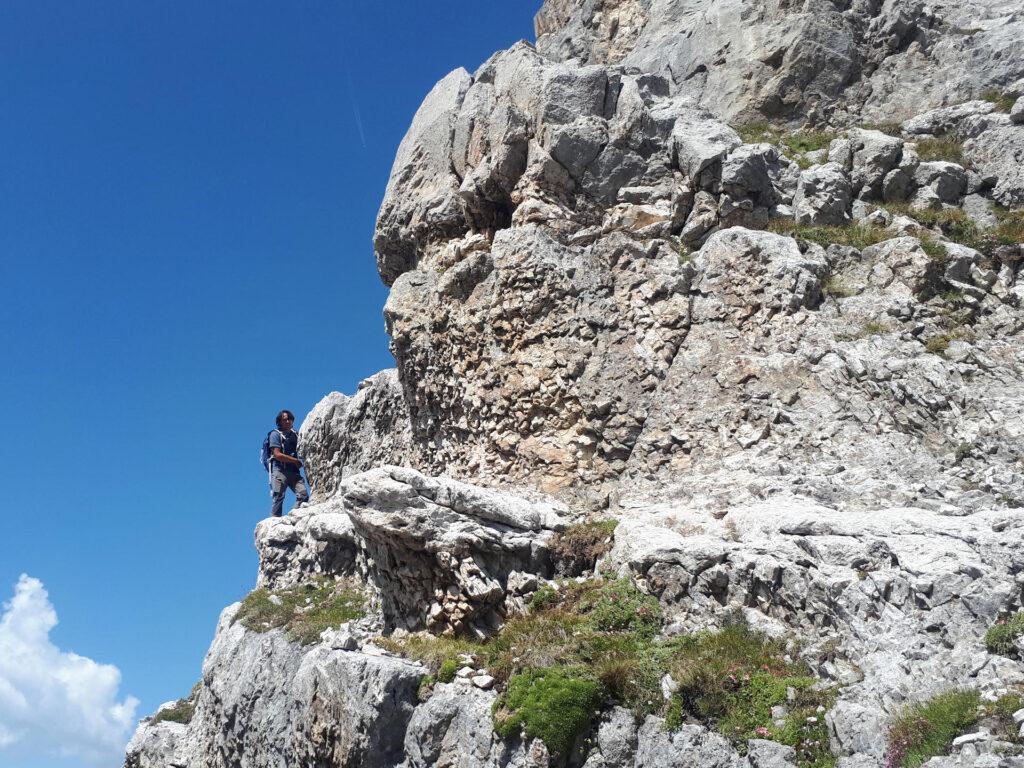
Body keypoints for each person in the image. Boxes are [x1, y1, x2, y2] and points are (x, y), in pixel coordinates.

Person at [269, 409, 308, 517]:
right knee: (278, 497)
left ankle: (292, 516)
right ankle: (274, 523)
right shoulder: (275, 435)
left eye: (290, 419)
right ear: (279, 421)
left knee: (303, 495)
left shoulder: (295, 434)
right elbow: (277, 454)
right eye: (285, 419)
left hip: (293, 472)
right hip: (280, 471)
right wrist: (295, 460)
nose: (288, 421)